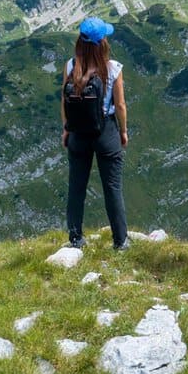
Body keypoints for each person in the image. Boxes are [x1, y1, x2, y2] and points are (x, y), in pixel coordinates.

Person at [61, 16, 130, 250]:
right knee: (112, 187)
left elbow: (64, 100)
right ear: (103, 42)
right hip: (106, 131)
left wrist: (66, 129)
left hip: (78, 133)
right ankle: (120, 241)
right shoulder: (113, 68)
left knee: (76, 186)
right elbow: (120, 105)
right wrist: (123, 131)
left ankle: (75, 239)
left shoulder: (71, 67)